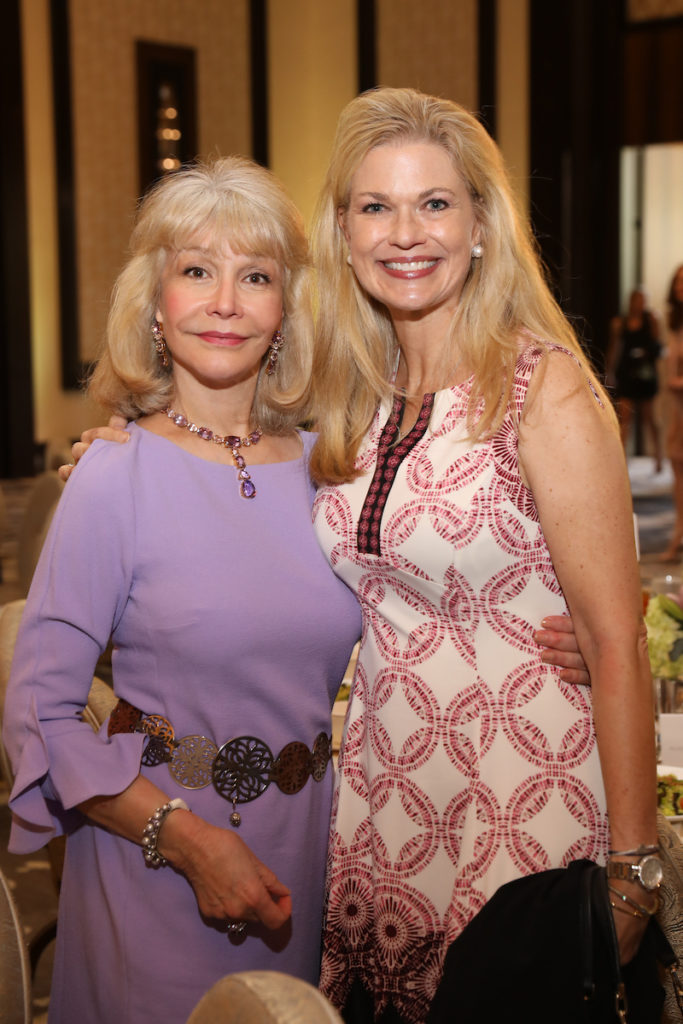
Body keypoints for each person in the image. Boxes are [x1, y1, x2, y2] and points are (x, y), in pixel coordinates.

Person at [307, 88, 658, 1023]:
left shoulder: (539, 387)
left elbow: (615, 643)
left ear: (480, 225)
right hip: (385, 790)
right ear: (341, 233)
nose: (404, 233)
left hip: (522, 789)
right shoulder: (352, 395)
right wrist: (128, 440)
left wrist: (635, 870)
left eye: (434, 203)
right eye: (374, 206)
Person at [2, 156, 363, 1023]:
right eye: (196, 270)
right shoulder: (114, 476)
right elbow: (43, 709)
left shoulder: (334, 470)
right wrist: (193, 845)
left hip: (312, 848)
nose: (225, 301)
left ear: (285, 311)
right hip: (155, 858)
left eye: (256, 277)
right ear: (156, 307)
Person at [606, 286, 662, 470]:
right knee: (625, 419)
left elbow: (658, 345)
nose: (640, 304)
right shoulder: (620, 323)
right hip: (627, 374)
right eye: (637, 299)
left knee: (650, 418)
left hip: (645, 373)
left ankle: (658, 456)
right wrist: (610, 372)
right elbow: (614, 349)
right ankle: (622, 459)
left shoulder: (651, 319)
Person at [661, 264, 683, 560]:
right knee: (678, 475)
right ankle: (679, 533)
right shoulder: (673, 323)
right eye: (677, 280)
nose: (680, 285)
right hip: (677, 406)